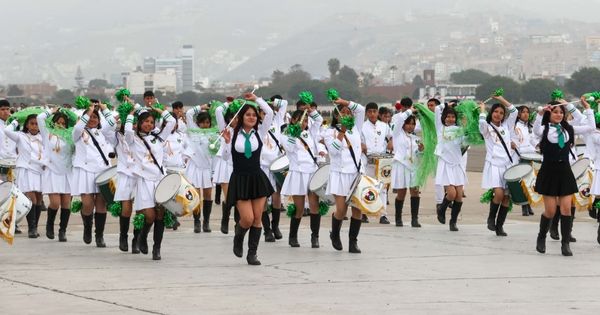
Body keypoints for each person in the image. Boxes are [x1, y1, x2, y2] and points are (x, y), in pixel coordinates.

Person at [534, 97, 594, 256]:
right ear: (550, 113)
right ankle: (541, 236)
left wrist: (587, 108)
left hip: (565, 171)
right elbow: (535, 130)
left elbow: (590, 127)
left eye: (561, 112)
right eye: (555, 112)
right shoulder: (544, 129)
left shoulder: (569, 128)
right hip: (549, 171)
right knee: (551, 211)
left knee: (567, 209)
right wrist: (540, 113)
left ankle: (565, 244)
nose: (559, 114)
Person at [222, 93, 274, 265]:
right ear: (241, 117)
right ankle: (238, 236)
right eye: (247, 114)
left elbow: (270, 113)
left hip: (257, 177)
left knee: (258, 217)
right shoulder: (231, 132)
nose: (251, 117)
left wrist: (256, 99)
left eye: (254, 114)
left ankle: (252, 253)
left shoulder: (260, 131)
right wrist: (227, 142)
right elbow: (225, 157)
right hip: (240, 178)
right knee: (247, 218)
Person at [125, 105, 176, 260]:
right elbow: (127, 130)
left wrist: (158, 109)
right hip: (144, 180)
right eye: (145, 121)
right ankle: (141, 237)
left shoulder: (158, 137)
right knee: (149, 215)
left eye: (151, 122)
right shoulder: (133, 139)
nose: (149, 124)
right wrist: (131, 114)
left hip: (159, 179)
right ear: (139, 123)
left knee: (160, 214)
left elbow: (172, 121)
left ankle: (157, 248)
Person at [323, 98, 366, 253]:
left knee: (357, 209)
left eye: (349, 112)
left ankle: (353, 242)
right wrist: (341, 131)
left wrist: (344, 101)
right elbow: (333, 151)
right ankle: (334, 234)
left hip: (356, 173)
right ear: (336, 116)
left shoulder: (356, 128)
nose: (346, 114)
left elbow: (361, 108)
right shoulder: (329, 132)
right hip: (339, 174)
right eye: (343, 112)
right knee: (341, 210)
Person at [72, 101, 117, 247]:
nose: (93, 120)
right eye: (90, 117)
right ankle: (87, 225)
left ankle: (99, 236)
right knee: (87, 204)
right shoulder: (78, 134)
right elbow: (79, 126)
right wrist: (89, 111)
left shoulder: (102, 132)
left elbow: (111, 122)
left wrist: (104, 109)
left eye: (95, 118)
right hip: (85, 171)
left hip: (102, 171)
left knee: (101, 203)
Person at [281, 107, 323, 248]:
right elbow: (290, 149)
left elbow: (319, 120)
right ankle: (293, 236)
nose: (303, 123)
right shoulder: (286, 135)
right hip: (297, 173)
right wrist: (295, 133)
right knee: (299, 208)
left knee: (314, 206)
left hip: (312, 172)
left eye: (305, 120)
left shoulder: (310, 132)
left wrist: (310, 110)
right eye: (300, 120)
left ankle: (315, 237)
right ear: (293, 120)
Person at [479, 96, 518, 236]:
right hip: (494, 164)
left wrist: (501, 99)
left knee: (507, 197)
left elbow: (514, 112)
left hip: (507, 164)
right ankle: (491, 218)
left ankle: (500, 226)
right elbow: (482, 124)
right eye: (495, 112)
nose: (498, 115)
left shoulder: (506, 126)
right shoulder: (487, 128)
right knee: (499, 193)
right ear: (491, 113)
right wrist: (483, 110)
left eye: (501, 113)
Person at [4, 113, 44, 238]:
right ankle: (31, 228)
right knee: (31, 198)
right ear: (26, 124)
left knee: (39, 198)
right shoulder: (21, 136)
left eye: (36, 124)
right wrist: (16, 121)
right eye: (31, 123)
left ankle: (35, 227)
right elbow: (7, 130)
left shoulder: (43, 137)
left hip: (40, 170)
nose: (34, 126)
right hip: (26, 169)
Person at [37, 108, 74, 242]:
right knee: (55, 203)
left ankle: (62, 231)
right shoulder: (48, 134)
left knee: (66, 204)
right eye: (59, 122)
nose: (61, 125)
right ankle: (49, 225)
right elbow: (40, 118)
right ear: (53, 123)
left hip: (67, 172)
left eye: (64, 123)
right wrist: (51, 111)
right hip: (52, 171)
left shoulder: (70, 136)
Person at [434, 100, 466, 231]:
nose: (450, 119)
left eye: (453, 117)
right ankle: (441, 209)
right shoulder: (440, 128)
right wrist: (447, 105)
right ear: (444, 118)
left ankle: (453, 222)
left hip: (457, 164)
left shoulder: (459, 130)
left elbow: (466, 140)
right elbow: (436, 109)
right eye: (448, 116)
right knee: (451, 194)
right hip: (445, 164)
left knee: (459, 195)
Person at [259, 96, 287, 242]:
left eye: (266, 111)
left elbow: (284, 103)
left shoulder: (277, 120)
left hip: (275, 165)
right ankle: (267, 230)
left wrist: (267, 102)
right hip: (262, 165)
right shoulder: (257, 126)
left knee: (277, 195)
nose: (264, 114)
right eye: (262, 112)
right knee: (263, 197)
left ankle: (275, 226)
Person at [390, 108, 424, 227]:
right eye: (408, 124)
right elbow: (399, 119)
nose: (410, 126)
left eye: (413, 124)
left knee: (415, 192)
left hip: (413, 167)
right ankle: (398, 218)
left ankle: (415, 219)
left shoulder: (415, 139)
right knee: (401, 193)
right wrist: (410, 111)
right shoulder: (397, 133)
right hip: (401, 165)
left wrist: (420, 150)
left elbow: (418, 155)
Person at [361, 102, 392, 224]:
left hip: (382, 161)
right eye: (370, 112)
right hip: (367, 160)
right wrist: (361, 144)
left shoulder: (384, 126)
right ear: (366, 113)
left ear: (378, 113)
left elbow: (392, 136)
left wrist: (391, 141)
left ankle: (383, 214)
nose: (372, 114)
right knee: (366, 187)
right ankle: (364, 213)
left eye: (375, 111)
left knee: (383, 188)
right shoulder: (362, 126)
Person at [185, 104, 214, 233]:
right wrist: (201, 107)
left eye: (207, 122)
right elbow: (188, 114)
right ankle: (197, 221)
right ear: (198, 123)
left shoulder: (213, 133)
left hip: (207, 168)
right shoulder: (193, 130)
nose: (205, 125)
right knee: (196, 195)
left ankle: (206, 222)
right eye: (202, 122)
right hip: (195, 167)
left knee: (208, 196)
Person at [511, 105, 537, 216]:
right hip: (519, 156)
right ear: (518, 114)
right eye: (523, 112)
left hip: (530, 156)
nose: (526, 114)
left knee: (530, 181)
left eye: (527, 112)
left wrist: (538, 147)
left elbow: (533, 140)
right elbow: (514, 141)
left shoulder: (530, 126)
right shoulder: (514, 126)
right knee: (522, 182)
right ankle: (524, 206)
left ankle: (529, 204)